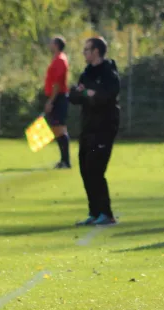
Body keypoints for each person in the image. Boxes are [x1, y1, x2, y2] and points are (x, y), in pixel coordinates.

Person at [68, 37, 120, 226]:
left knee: (96, 169)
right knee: (85, 169)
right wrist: (86, 93)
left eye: (87, 49)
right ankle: (94, 212)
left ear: (96, 51)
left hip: (104, 127)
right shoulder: (87, 73)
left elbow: (107, 96)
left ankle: (106, 213)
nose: (84, 53)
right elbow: (74, 96)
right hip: (88, 126)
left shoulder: (108, 72)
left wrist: (90, 93)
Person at [44, 36, 71, 169]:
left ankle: (66, 161)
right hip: (57, 97)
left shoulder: (60, 60)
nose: (49, 45)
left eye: (51, 42)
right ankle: (63, 160)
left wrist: (51, 101)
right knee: (56, 129)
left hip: (58, 98)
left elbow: (57, 84)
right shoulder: (57, 59)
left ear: (57, 45)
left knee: (60, 129)